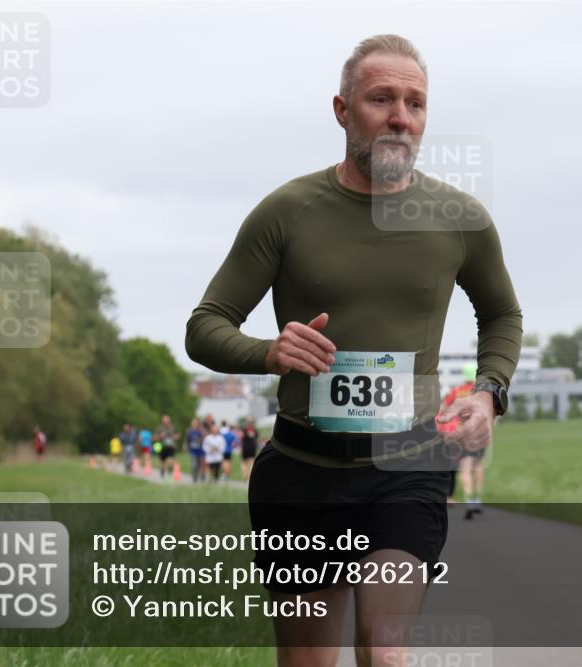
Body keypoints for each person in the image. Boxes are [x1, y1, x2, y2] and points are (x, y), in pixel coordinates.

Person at [185, 34, 521, 667]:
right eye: (382, 99)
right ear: (342, 110)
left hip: (406, 464)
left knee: (386, 652)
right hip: (301, 467)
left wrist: (488, 390)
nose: (401, 116)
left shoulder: (459, 217)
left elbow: (501, 313)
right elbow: (206, 325)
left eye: (415, 103)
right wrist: (268, 351)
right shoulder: (286, 211)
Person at [437, 364, 484, 517]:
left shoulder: (456, 392)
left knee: (465, 468)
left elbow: (442, 410)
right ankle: (477, 498)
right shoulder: (482, 392)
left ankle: (469, 500)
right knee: (478, 466)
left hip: (463, 434)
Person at [239, 416, 259, 482]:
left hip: (245, 448)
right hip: (252, 448)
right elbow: (256, 438)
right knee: (251, 463)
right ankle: (249, 478)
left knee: (244, 463)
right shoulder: (255, 430)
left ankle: (245, 476)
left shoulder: (243, 429)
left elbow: (241, 437)